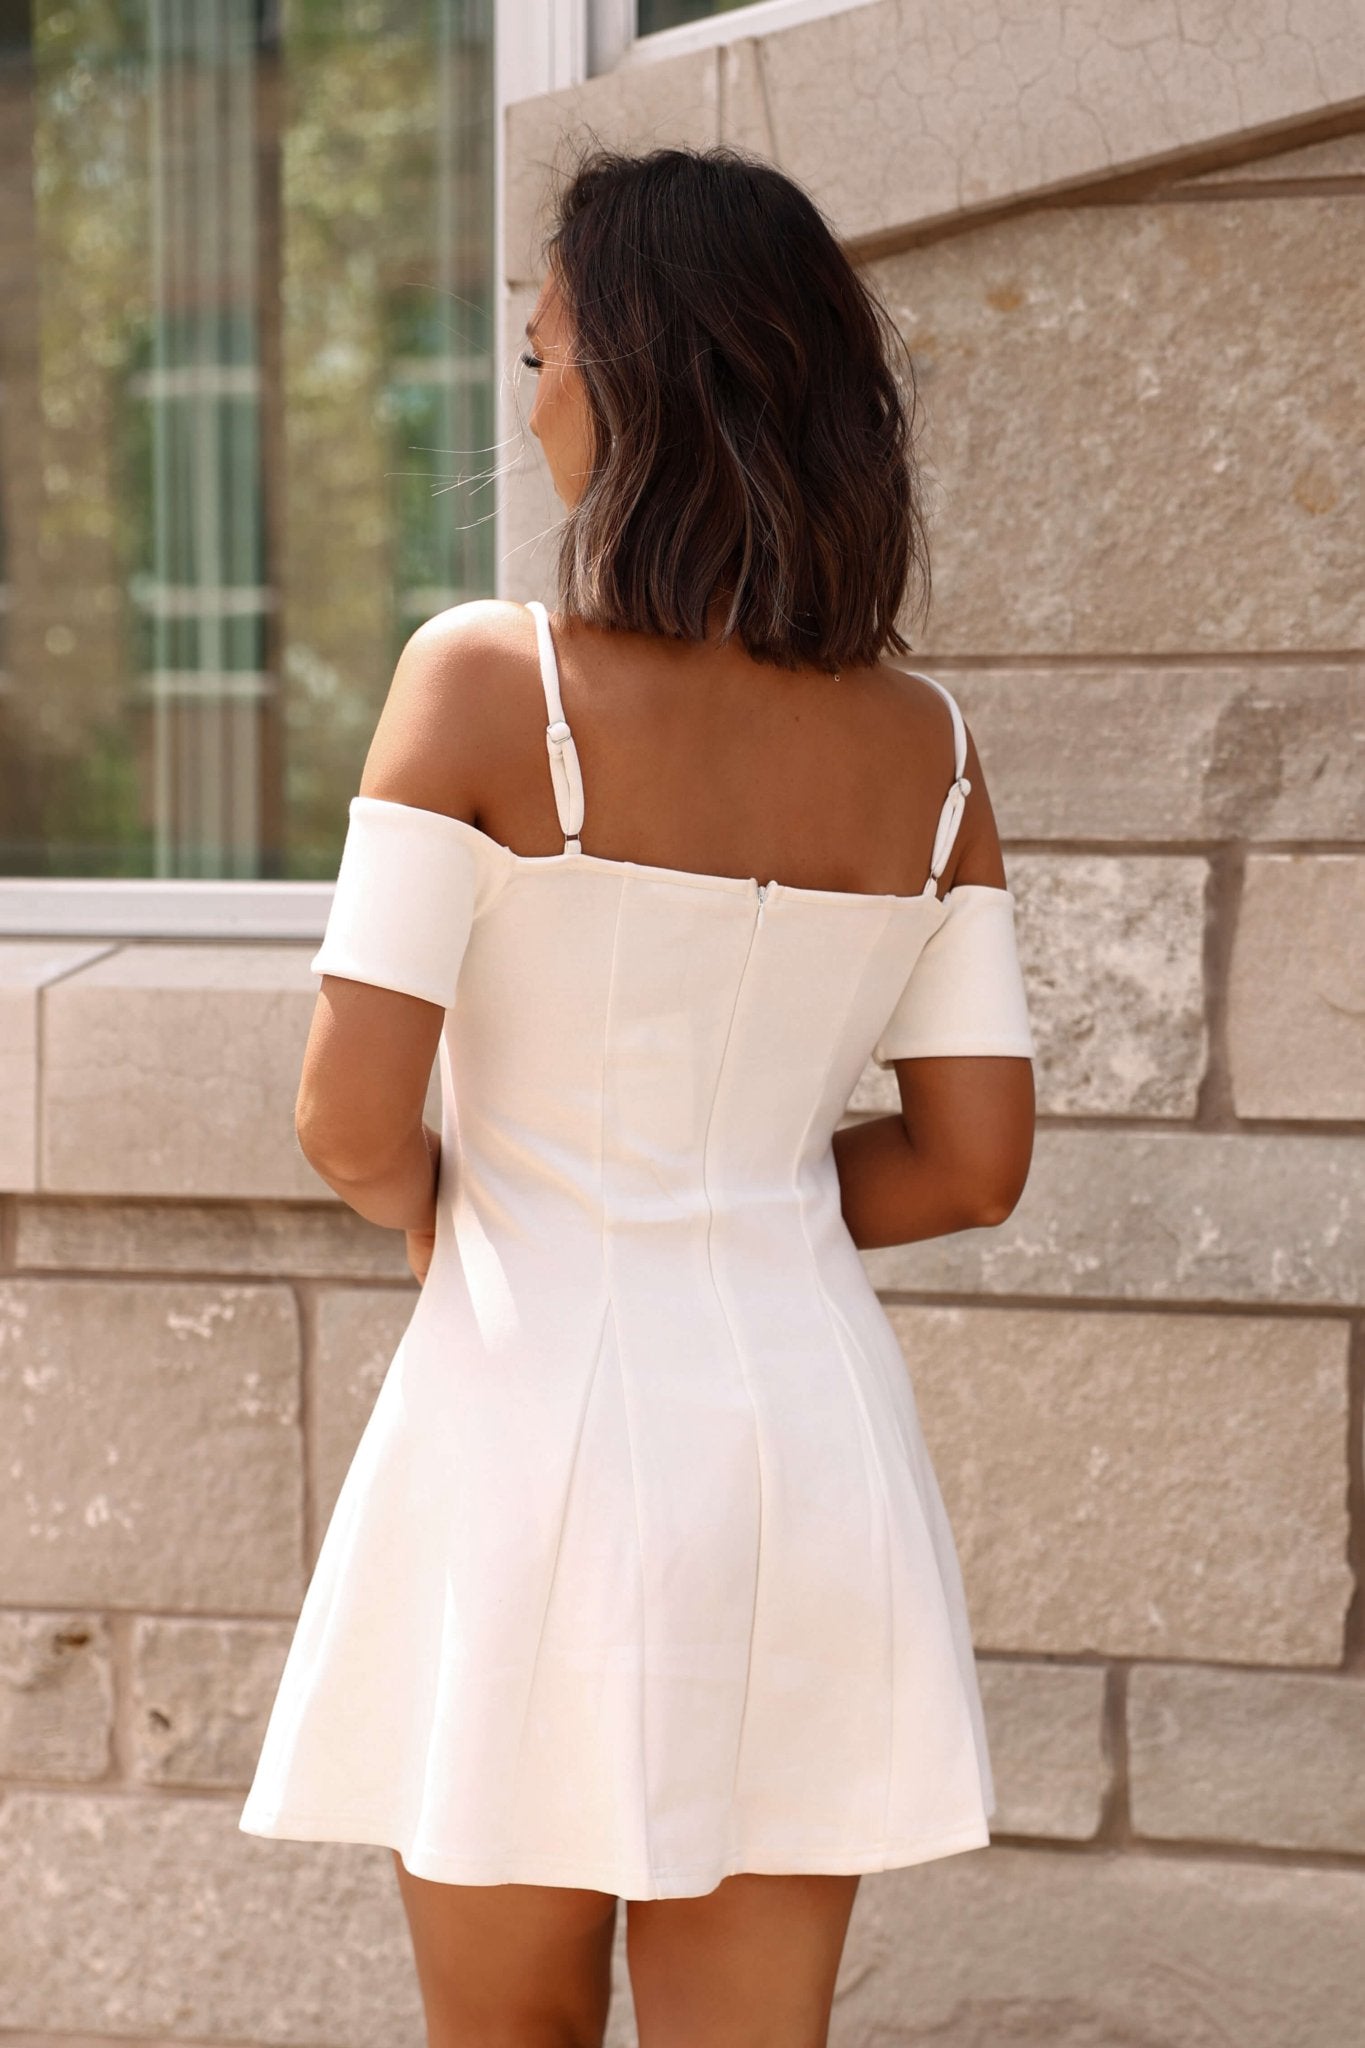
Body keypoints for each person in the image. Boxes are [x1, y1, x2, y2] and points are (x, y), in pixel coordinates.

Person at [239, 142, 1036, 2048]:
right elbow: (971, 1163)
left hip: (534, 1439)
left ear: (638, 379)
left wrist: (473, 1207)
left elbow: (347, 1120)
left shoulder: (480, 679)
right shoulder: (927, 747)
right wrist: (738, 1201)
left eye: (541, 354)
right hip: (810, 1456)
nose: (531, 403)